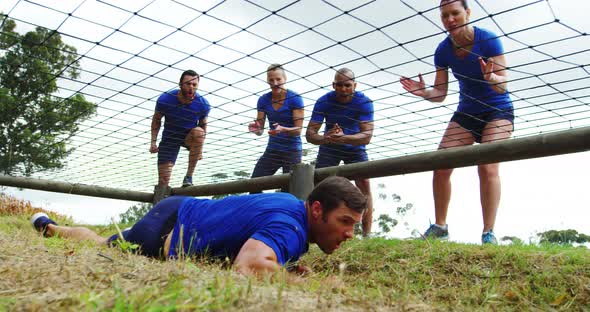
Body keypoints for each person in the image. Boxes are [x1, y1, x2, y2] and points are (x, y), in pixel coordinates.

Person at [30, 176, 367, 277]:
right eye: (345, 222)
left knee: (105, 242)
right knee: (107, 248)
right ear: (318, 209)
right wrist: (290, 278)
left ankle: (50, 227)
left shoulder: (291, 208)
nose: (349, 234)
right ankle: (51, 227)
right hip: (166, 233)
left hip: (179, 211)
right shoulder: (291, 228)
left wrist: (287, 268)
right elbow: (248, 266)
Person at [399, 0, 514, 244]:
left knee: (487, 165)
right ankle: (440, 228)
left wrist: (491, 75)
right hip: (467, 111)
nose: (450, 19)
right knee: (441, 164)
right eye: (444, 15)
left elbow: (503, 84)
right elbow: (440, 94)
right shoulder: (443, 50)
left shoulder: (489, 39)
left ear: (467, 13)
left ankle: (488, 233)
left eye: (455, 13)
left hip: (498, 109)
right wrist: (425, 92)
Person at [306, 68, 374, 237]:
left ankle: (367, 234)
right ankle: (315, 230)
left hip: (355, 148)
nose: (343, 89)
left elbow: (367, 136)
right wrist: (325, 138)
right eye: (339, 85)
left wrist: (344, 137)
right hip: (329, 147)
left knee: (364, 184)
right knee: (319, 186)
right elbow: (310, 134)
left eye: (347, 85)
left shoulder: (364, 102)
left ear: (355, 85)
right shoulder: (323, 101)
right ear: (333, 85)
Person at [150, 70, 210, 188]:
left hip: (188, 135)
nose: (191, 87)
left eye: (194, 85)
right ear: (180, 84)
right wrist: (153, 142)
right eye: (188, 84)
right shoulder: (165, 99)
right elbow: (156, 120)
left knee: (199, 132)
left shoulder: (203, 104)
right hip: (170, 137)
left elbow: (203, 125)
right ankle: (163, 197)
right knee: (163, 181)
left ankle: (189, 177)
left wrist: (200, 149)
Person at [248, 64, 304, 179]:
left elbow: (298, 130)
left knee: (290, 188)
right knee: (254, 183)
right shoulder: (263, 100)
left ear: (285, 79)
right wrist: (256, 128)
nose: (275, 83)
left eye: (278, 79)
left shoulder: (295, 98)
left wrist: (283, 129)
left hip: (292, 150)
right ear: (267, 81)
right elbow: (260, 130)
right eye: (271, 80)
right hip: (273, 149)